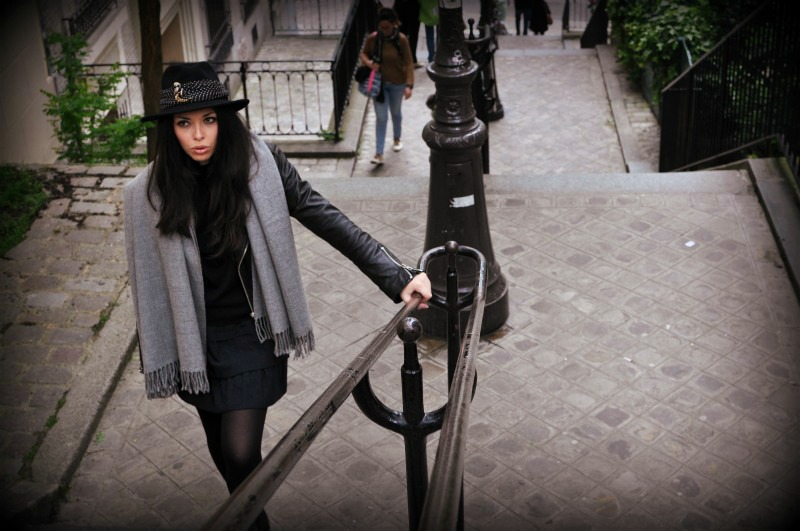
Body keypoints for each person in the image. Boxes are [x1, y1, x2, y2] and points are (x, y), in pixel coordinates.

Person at [124, 61, 431, 530]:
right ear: (170, 130)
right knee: (227, 464)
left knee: (241, 454)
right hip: (196, 343)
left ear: (225, 120)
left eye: (209, 120)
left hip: (254, 332)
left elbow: (323, 215)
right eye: (184, 123)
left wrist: (396, 275)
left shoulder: (260, 166)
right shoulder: (149, 192)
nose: (198, 135)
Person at [360, 7, 414, 166]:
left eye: (387, 27)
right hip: (380, 86)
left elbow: (409, 62)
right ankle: (379, 153)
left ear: (394, 24)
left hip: (398, 83)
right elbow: (363, 54)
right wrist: (369, 63)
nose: (384, 30)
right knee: (381, 117)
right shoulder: (374, 38)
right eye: (381, 27)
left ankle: (397, 137)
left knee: (396, 112)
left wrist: (409, 85)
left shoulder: (402, 40)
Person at [393, 0, 421, 65]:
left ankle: (403, 58)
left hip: (401, 5)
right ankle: (411, 59)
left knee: (402, 32)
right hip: (412, 5)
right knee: (412, 34)